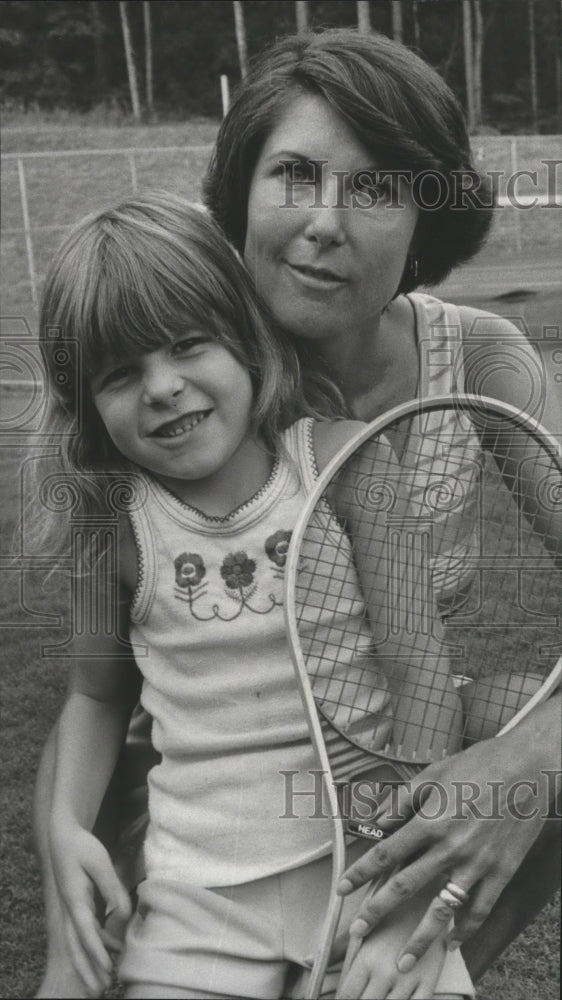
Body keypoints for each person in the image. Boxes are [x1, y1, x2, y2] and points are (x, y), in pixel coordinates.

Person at [34, 26, 561, 999]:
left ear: (423, 217)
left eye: (375, 186)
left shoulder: (475, 362)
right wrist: (64, 848)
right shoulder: (189, 354)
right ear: (238, 191)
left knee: (526, 739)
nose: (324, 221)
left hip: (386, 747)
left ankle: (394, 963)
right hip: (208, 795)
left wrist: (539, 751)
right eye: (293, 174)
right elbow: (100, 678)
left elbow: (434, 688)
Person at [35, 192, 476, 1000]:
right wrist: (63, 829)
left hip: (364, 873)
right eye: (121, 374)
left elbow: (422, 681)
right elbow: (95, 700)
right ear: (89, 403)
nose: (162, 387)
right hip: (194, 899)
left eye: (187, 344)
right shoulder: (112, 529)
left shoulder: (350, 465)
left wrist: (398, 876)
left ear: (244, 337)